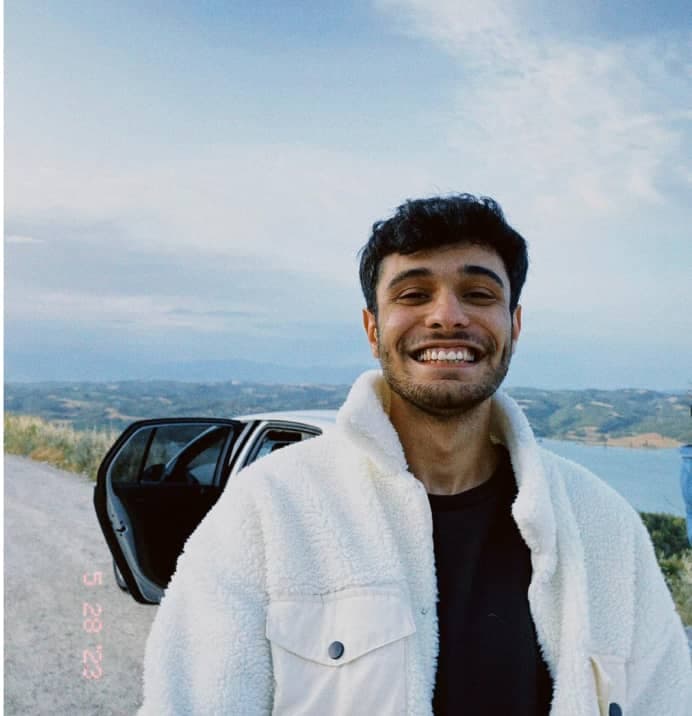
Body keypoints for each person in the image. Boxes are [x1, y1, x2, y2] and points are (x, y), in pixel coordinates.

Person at [139, 194, 692, 715]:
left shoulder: (602, 526)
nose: (447, 316)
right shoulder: (268, 512)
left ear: (514, 326)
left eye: (479, 294)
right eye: (413, 294)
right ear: (372, 328)